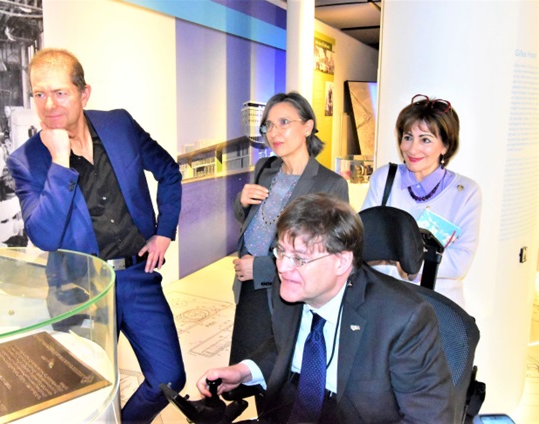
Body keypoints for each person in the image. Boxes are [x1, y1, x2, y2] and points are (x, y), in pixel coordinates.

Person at [6, 48, 185, 423]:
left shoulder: (119, 125)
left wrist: (164, 232)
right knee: (88, 391)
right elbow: (44, 236)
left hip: (137, 276)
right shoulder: (26, 160)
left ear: (84, 93)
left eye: (60, 93)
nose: (49, 105)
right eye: (39, 94)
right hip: (79, 290)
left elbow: (169, 171)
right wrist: (59, 161)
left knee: (169, 378)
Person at [197, 193, 455, 423]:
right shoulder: (292, 286)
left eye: (299, 258)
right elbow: (286, 347)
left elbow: (430, 418)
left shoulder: (404, 319)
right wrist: (243, 372)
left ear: (341, 262)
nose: (283, 267)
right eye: (281, 251)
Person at [230, 92, 349, 372]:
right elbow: (255, 222)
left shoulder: (330, 184)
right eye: (269, 125)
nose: (274, 132)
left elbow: (326, 256)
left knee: (279, 373)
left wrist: (261, 267)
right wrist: (241, 202)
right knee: (244, 371)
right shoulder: (265, 169)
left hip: (291, 294)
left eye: (284, 122)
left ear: (307, 127)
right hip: (249, 288)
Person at [361, 94, 481, 308]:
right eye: (408, 137)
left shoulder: (466, 192)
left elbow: (460, 262)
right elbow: (365, 242)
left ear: (445, 146)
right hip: (386, 301)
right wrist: (421, 262)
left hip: (437, 305)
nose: (412, 148)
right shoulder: (384, 178)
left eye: (425, 139)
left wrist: (405, 263)